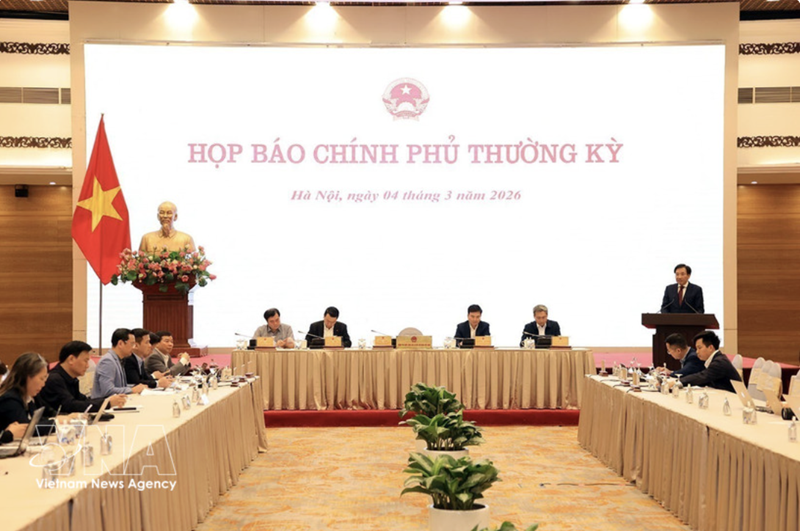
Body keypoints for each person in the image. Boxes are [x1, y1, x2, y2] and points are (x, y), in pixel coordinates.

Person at [40, 341, 127, 413]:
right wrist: (107, 403)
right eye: (85, 361)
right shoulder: (54, 379)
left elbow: (83, 401)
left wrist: (107, 400)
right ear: (71, 359)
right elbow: (71, 406)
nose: (87, 366)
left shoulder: (71, 378)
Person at [0, 352, 64, 435]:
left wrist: (56, 420)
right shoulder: (9, 399)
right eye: (41, 379)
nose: (43, 384)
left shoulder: (30, 397)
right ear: (27, 377)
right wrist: (56, 423)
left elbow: (39, 419)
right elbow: (27, 429)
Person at [91, 328, 147, 398]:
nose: (133, 348)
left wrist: (136, 387)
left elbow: (121, 386)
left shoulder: (119, 359)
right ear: (120, 343)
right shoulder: (107, 361)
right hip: (105, 403)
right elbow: (107, 391)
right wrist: (132, 390)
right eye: (132, 344)